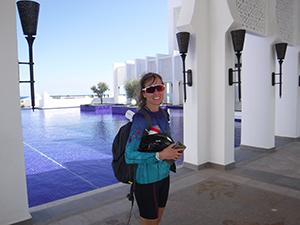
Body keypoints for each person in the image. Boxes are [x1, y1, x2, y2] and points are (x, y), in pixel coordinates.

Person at [125, 72, 184, 225]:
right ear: (144, 93)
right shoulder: (140, 119)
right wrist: (160, 155)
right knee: (149, 222)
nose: (156, 93)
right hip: (146, 181)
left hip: (164, 177)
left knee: (157, 220)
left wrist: (172, 152)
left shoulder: (164, 114)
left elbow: (164, 141)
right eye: (151, 89)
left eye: (159, 87)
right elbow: (129, 155)